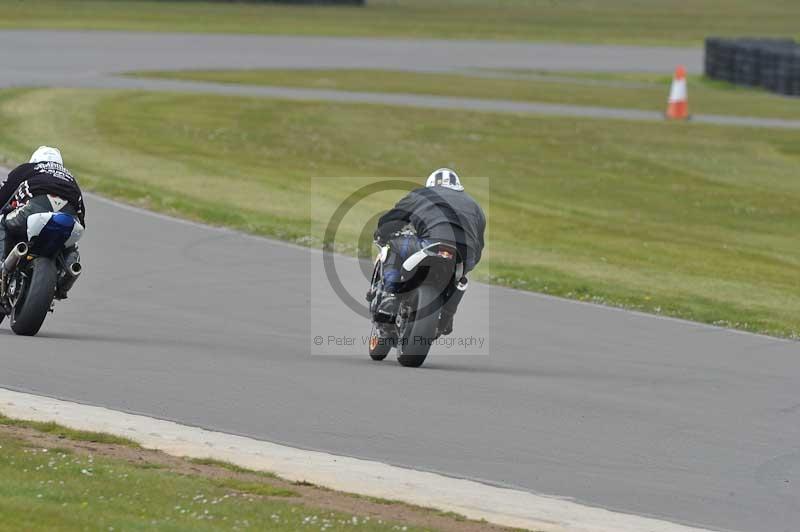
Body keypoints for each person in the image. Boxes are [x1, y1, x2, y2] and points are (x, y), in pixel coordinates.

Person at [373, 168, 485, 335]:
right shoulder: (475, 206)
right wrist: (469, 264)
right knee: (460, 279)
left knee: (392, 246)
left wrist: (382, 234)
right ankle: (447, 315)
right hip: (464, 255)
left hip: (429, 244)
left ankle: (390, 296)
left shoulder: (422, 194)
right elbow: (479, 244)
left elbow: (394, 218)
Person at [0, 146, 86, 288]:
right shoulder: (70, 177)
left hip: (34, 210)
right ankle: (69, 274)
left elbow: (3, 196)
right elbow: (81, 217)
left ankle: (1, 267)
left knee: (2, 221)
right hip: (68, 217)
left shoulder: (29, 168)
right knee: (71, 245)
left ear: (35, 160)